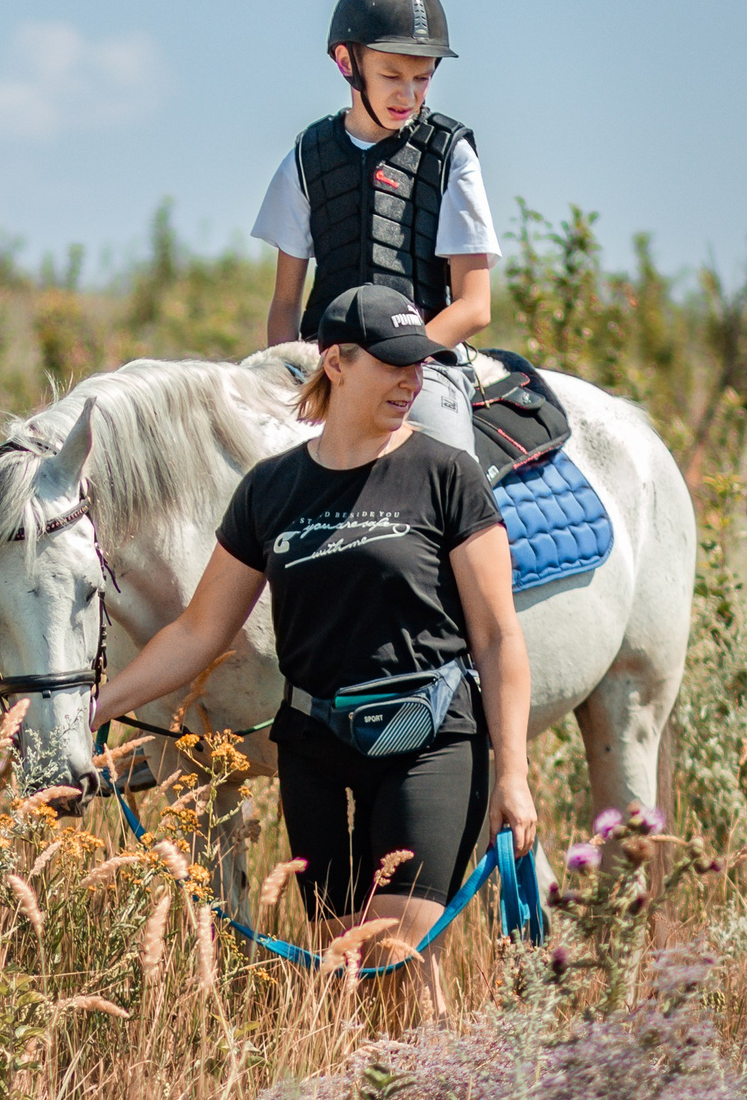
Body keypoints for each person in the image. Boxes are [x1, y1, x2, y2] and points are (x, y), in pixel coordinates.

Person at [91, 284, 536, 1017]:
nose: (411, 379)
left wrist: (514, 774)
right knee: (343, 978)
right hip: (313, 751)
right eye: (392, 363)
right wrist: (97, 708)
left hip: (426, 739)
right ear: (335, 360)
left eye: (419, 364)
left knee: (392, 964)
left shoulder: (446, 474)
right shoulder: (271, 489)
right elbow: (201, 631)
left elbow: (496, 636)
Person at [251, 0, 498, 454]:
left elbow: (474, 305)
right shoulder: (306, 157)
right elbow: (285, 304)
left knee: (449, 468)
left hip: (423, 370)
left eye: (422, 78)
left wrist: (394, 364)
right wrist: (285, 374)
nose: (408, 95)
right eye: (391, 76)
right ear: (348, 63)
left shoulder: (453, 157)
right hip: (324, 367)